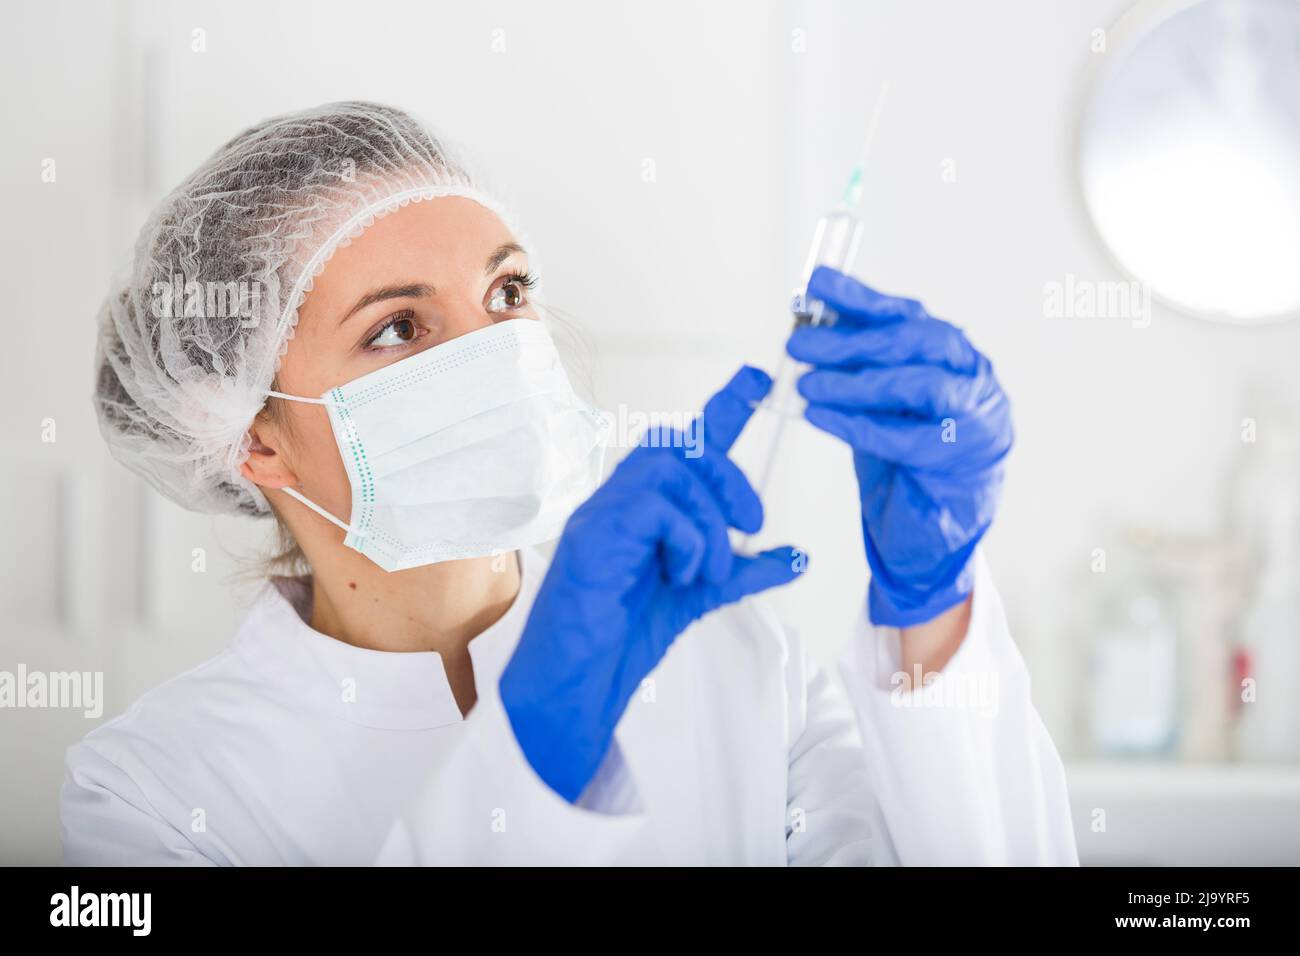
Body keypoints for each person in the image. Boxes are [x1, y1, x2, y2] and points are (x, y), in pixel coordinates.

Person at [63, 102, 1077, 865]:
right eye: (398, 328)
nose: (498, 352)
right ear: (256, 439)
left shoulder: (736, 661)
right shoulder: (157, 789)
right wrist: (538, 737)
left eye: (507, 291)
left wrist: (932, 610)